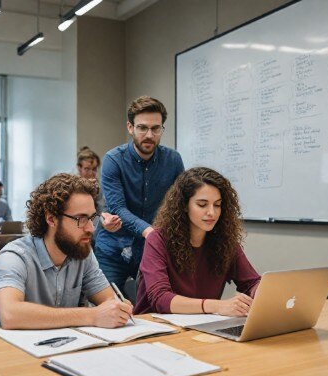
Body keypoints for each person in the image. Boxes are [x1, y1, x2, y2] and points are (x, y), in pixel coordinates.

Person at [0, 173, 133, 376]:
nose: (90, 228)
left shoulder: (82, 252)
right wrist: (93, 315)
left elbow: (110, 302)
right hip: (7, 361)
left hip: (61, 354)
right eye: (80, 219)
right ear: (51, 218)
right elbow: (11, 315)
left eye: (92, 218)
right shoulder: (14, 255)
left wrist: (118, 310)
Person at [134, 167, 261, 315]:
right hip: (157, 328)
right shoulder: (157, 239)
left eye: (217, 205)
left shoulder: (225, 241)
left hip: (202, 327)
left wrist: (261, 292)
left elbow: (251, 283)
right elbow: (160, 299)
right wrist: (217, 306)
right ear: (184, 206)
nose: (212, 212)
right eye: (202, 204)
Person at [95, 96, 185, 291]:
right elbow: (118, 207)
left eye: (156, 128)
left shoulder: (173, 160)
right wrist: (149, 231)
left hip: (151, 250)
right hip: (113, 248)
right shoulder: (113, 159)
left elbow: (180, 203)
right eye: (142, 128)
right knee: (107, 307)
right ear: (130, 127)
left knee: (153, 307)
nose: (149, 135)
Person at [76, 146, 122, 234]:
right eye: (87, 169)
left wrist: (105, 219)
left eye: (94, 169)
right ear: (79, 168)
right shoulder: (69, 185)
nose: (90, 173)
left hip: (90, 229)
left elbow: (101, 209)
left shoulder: (97, 187)